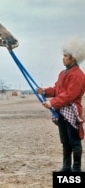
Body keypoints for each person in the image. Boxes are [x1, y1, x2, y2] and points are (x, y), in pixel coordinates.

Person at [37, 37, 85, 172]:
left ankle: (76, 168)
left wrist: (52, 102)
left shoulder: (78, 76)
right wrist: (45, 91)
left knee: (74, 142)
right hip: (61, 111)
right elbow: (57, 90)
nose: (62, 58)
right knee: (65, 141)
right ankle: (66, 167)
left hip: (72, 111)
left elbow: (70, 95)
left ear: (73, 58)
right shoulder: (63, 73)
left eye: (65, 56)